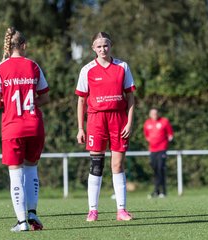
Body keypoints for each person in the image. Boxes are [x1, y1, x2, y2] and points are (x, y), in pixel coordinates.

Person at [0, 27, 50, 232]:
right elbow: (45, 97)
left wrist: (9, 102)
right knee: (32, 169)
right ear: (23, 45)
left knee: (15, 174)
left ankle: (22, 222)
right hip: (34, 125)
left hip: (12, 127)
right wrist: (30, 102)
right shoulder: (33, 66)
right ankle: (32, 213)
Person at [75, 32, 136, 222]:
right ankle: (93, 210)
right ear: (93, 48)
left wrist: (129, 121)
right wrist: (80, 128)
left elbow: (131, 97)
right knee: (96, 165)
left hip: (118, 119)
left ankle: (121, 210)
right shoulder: (87, 70)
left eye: (106, 45)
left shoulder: (122, 67)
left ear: (111, 46)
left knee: (117, 164)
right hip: (96, 120)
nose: (103, 49)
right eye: (99, 46)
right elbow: (81, 101)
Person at [143, 108, 173, 198]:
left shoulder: (164, 121)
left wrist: (165, 142)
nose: (154, 115)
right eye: (152, 113)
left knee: (161, 168)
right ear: (150, 114)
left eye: (155, 113)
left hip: (162, 149)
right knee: (155, 169)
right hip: (152, 150)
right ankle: (157, 191)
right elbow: (146, 135)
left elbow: (170, 134)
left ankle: (163, 191)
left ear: (158, 113)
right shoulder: (147, 123)